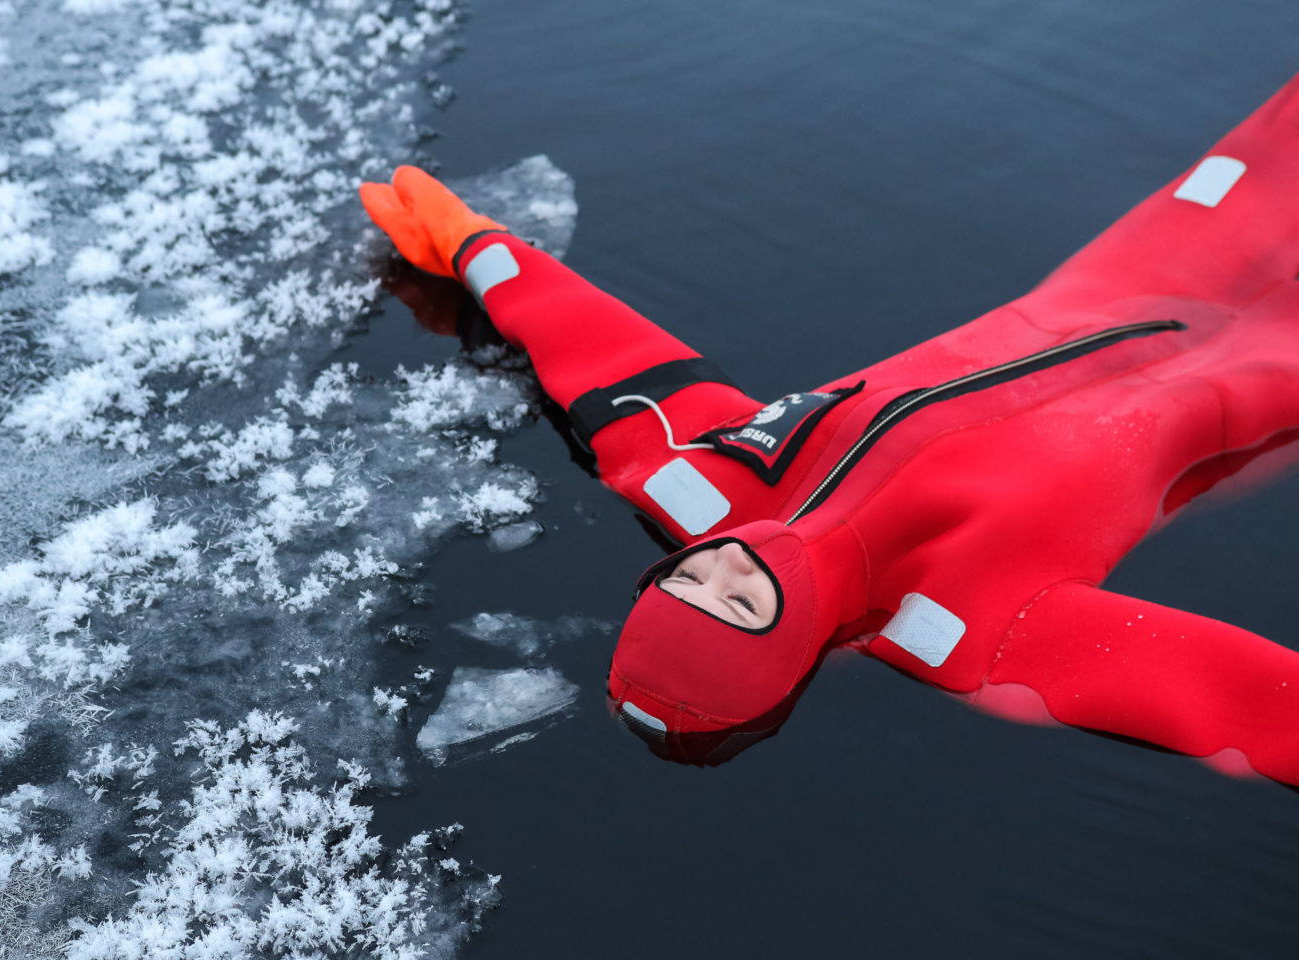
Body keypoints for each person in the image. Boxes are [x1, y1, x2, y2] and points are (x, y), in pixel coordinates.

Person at [360, 71, 1299, 784]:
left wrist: (480, 249)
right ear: (785, 652)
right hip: (1255, 393)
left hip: (1128, 279)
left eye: (688, 577)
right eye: (738, 607)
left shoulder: (701, 480)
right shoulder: (979, 636)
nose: (731, 566)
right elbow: (1236, 700)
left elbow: (601, 359)